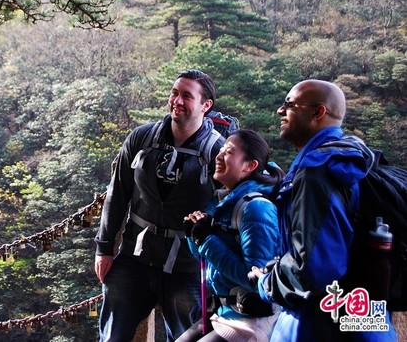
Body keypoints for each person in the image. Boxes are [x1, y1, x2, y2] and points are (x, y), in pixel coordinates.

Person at [251, 79, 397, 341]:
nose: (280, 111)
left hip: (322, 324)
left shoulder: (318, 170)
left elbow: (314, 270)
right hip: (366, 320)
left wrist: (266, 282)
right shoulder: (356, 158)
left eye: (289, 104)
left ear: (318, 112)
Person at [94, 69, 226, 341]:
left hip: (187, 265)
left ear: (206, 105)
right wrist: (104, 248)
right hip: (135, 257)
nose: (177, 100)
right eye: (174, 93)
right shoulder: (142, 138)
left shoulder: (218, 151)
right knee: (112, 335)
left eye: (187, 96)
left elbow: (227, 211)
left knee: (186, 337)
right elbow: (117, 193)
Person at [177, 129, 282, 342]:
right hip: (224, 314)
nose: (219, 155)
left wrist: (206, 240)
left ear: (249, 166)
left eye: (229, 152)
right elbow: (210, 263)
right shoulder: (223, 204)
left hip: (251, 322)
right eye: (222, 150)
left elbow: (256, 279)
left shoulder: (257, 208)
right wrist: (195, 237)